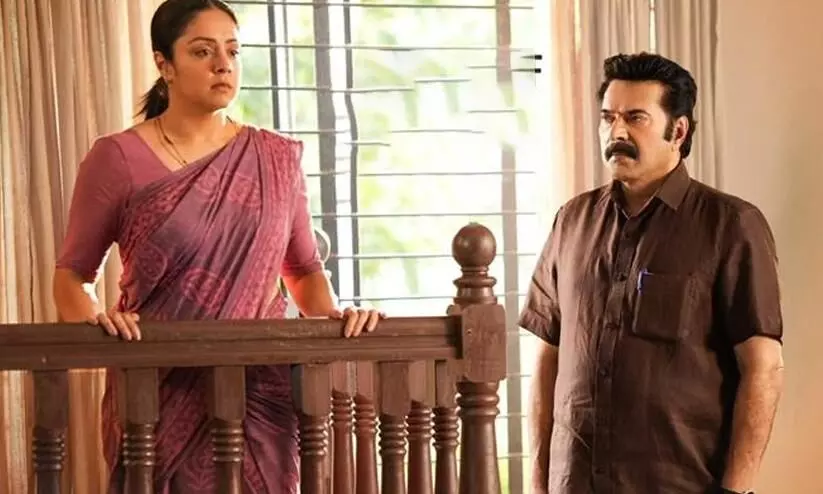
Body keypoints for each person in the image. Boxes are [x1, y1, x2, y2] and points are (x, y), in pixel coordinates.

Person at [52, 0, 383, 492]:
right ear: (164, 64)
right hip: (156, 390)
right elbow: (71, 277)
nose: (223, 64)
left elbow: (304, 271)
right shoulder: (116, 158)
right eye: (202, 51)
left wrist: (335, 317)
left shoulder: (274, 158)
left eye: (232, 51)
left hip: (260, 394)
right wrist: (97, 324)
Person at [520, 52, 784, 494]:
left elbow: (764, 369)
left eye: (635, 118)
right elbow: (548, 358)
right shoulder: (572, 221)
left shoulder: (732, 226)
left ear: (678, 131)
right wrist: (537, 482)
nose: (616, 132)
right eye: (608, 117)